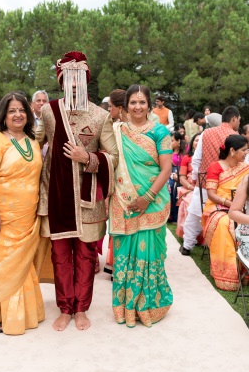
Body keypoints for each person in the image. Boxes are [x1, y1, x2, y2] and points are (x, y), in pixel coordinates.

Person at [34, 51, 117, 332]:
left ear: (86, 80)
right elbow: (34, 147)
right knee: (60, 257)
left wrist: (89, 158)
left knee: (85, 257)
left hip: (88, 199)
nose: (72, 84)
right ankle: (64, 308)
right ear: (60, 81)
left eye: (77, 78)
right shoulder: (48, 111)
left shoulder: (101, 115)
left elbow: (114, 156)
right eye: (67, 79)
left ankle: (81, 308)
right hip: (56, 197)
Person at [0, 91, 44, 335]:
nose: (18, 114)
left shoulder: (32, 141)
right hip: (1, 217)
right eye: (12, 110)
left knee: (23, 263)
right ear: (3, 116)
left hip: (26, 216)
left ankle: (25, 311)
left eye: (22, 110)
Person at [108, 84, 173, 326]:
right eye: (133, 102)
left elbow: (166, 168)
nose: (137, 107)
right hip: (124, 201)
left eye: (142, 102)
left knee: (149, 253)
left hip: (152, 200)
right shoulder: (116, 130)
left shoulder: (159, 132)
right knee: (126, 251)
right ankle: (124, 304)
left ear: (149, 105)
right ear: (126, 106)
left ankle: (149, 303)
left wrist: (147, 196)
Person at [185, 107, 240, 255]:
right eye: (239, 120)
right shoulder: (236, 137)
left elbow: (196, 159)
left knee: (195, 214)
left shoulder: (206, 133)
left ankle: (187, 245)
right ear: (234, 118)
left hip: (204, 183)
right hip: (227, 187)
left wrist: (196, 179)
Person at [201, 134, 249, 290]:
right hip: (218, 207)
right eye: (244, 150)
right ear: (233, 151)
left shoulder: (245, 167)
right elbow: (211, 194)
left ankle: (245, 270)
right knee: (225, 224)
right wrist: (230, 203)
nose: (246, 153)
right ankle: (229, 274)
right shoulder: (216, 166)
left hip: (241, 206)